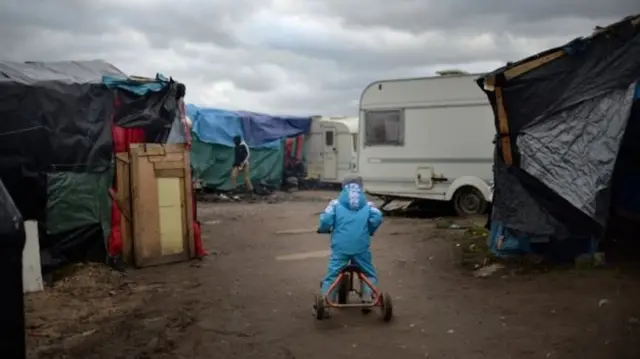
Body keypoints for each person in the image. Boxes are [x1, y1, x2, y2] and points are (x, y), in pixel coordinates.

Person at [316, 176, 383, 309]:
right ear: (361, 187)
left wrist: (324, 229)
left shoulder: (335, 204)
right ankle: (367, 297)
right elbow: (377, 217)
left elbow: (326, 219)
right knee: (368, 273)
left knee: (333, 274)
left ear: (343, 187)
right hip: (361, 247)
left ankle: (327, 303)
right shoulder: (368, 205)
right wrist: (369, 230)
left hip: (341, 247)